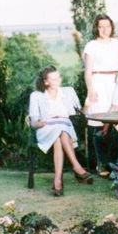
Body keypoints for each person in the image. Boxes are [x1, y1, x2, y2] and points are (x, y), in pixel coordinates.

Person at [29, 65, 94, 196]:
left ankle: (57, 180)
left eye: (58, 77)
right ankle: (77, 167)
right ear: (45, 81)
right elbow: (34, 122)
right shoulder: (36, 96)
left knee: (60, 134)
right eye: (53, 79)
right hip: (46, 128)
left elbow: (80, 114)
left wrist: (87, 105)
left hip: (65, 126)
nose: (58, 81)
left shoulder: (68, 92)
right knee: (60, 130)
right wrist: (40, 123)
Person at [83, 14, 118, 175]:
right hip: (98, 83)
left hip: (115, 84)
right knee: (99, 124)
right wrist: (91, 90)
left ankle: (116, 163)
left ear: (111, 27)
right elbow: (87, 72)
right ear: (96, 28)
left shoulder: (116, 43)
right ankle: (101, 163)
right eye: (101, 26)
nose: (105, 30)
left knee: (115, 123)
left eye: (107, 26)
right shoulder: (91, 45)